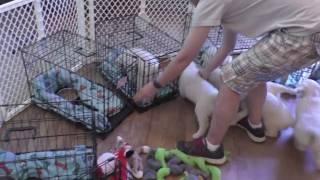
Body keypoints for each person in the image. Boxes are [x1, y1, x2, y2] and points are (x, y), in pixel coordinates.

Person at [133, 0, 320, 165]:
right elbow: (228, 47)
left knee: (232, 76)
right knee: (256, 69)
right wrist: (206, 72)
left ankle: (211, 148)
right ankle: (254, 125)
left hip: (305, 31)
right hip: (308, 24)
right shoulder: (228, 7)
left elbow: (185, 57)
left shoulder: (209, 3)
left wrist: (153, 86)